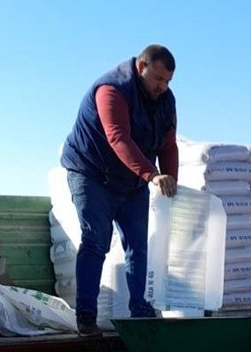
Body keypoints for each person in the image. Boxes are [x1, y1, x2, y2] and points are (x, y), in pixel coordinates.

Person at [61, 44, 179, 336]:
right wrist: (152, 174)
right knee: (95, 240)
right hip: (92, 174)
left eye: (168, 81)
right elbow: (117, 138)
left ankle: (141, 311)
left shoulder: (166, 100)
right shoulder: (111, 89)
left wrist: (170, 180)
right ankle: (86, 316)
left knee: (138, 246)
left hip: (132, 180)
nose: (162, 87)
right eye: (158, 79)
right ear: (141, 67)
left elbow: (168, 145)